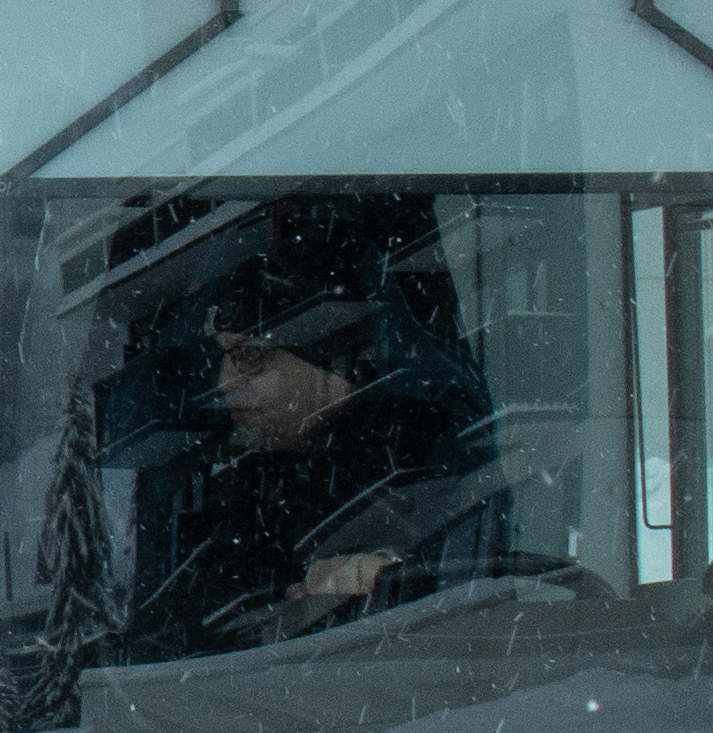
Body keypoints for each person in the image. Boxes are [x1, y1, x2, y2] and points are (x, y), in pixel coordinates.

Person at [113, 210, 508, 659]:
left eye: (249, 358)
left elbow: (457, 614)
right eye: (222, 359)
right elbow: (180, 636)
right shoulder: (248, 490)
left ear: (330, 362)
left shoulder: (426, 460)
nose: (226, 387)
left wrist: (386, 580)